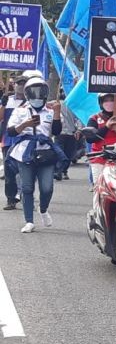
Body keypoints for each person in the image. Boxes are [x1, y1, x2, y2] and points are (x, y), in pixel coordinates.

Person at [7, 77, 63, 233]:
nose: (37, 95)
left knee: (47, 188)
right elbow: (10, 131)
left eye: (40, 91)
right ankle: (29, 221)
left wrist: (57, 113)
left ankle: (43, 209)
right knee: (27, 187)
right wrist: (25, 124)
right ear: (27, 93)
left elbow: (56, 131)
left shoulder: (51, 111)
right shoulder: (20, 111)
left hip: (45, 152)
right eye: (34, 91)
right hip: (25, 152)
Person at [3, 73, 29, 208]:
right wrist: (3, 104)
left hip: (26, 141)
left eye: (24, 84)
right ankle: (11, 199)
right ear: (14, 85)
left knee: (26, 172)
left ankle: (27, 195)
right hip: (8, 141)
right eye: (19, 83)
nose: (21, 86)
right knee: (9, 173)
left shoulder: (31, 102)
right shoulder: (7, 100)